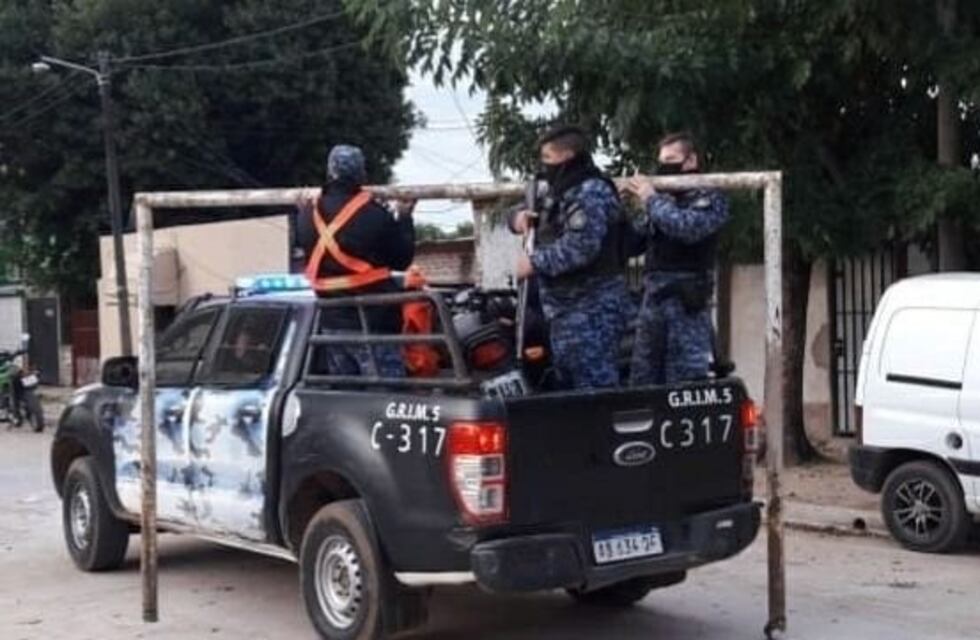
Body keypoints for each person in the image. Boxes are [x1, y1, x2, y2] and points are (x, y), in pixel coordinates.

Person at [510, 125, 630, 390]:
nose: (544, 165)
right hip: (567, 310)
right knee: (569, 387)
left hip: (592, 308)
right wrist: (518, 219)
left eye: (548, 158)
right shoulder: (560, 190)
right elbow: (522, 209)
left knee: (594, 389)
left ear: (567, 156)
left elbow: (582, 247)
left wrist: (534, 262)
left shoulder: (590, 192)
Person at [296, 144, 416, 378]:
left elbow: (307, 247)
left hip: (332, 325)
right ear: (362, 174)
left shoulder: (307, 215)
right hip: (374, 324)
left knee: (346, 394)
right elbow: (401, 260)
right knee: (384, 395)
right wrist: (404, 217)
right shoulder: (375, 214)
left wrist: (303, 213)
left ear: (330, 172)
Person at [623, 131, 730, 385]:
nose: (664, 166)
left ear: (690, 160)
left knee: (685, 382)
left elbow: (688, 229)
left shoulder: (709, 196)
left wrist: (651, 199)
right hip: (653, 302)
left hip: (686, 303)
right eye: (661, 160)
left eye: (671, 159)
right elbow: (633, 242)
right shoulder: (663, 200)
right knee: (643, 379)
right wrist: (620, 208)